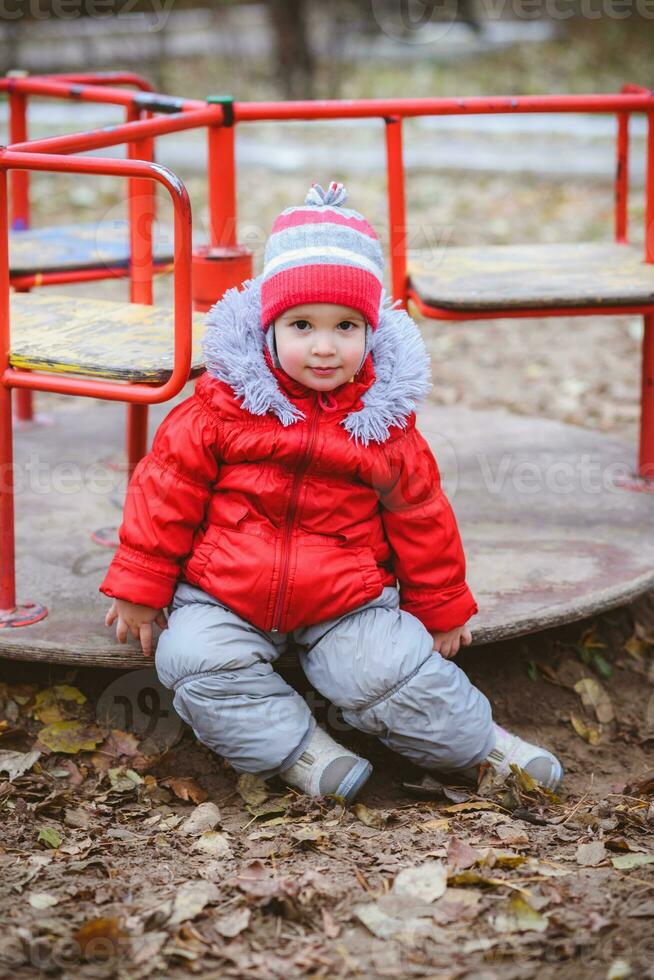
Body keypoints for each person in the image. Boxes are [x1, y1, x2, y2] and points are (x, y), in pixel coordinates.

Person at [101, 181, 563, 803]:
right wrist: (139, 584)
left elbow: (421, 513)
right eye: (301, 325)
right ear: (269, 328)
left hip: (345, 594)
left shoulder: (382, 422)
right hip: (224, 590)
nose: (324, 346)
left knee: (392, 670)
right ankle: (302, 753)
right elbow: (166, 490)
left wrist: (443, 603)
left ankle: (482, 749)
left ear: (370, 333)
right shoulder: (222, 406)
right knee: (195, 661)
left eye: (346, 325)